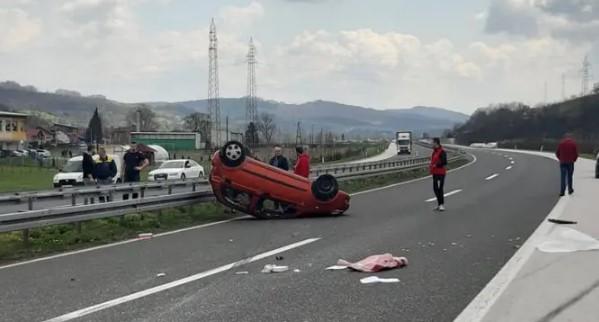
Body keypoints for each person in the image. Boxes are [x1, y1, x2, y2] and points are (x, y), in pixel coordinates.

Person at [430, 138, 447, 211]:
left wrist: (436, 165)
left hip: (440, 173)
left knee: (440, 189)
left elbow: (444, 161)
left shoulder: (442, 152)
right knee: (435, 189)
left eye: (432, 142)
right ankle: (439, 204)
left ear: (436, 143)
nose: (431, 144)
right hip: (435, 173)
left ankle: (441, 204)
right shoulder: (434, 152)